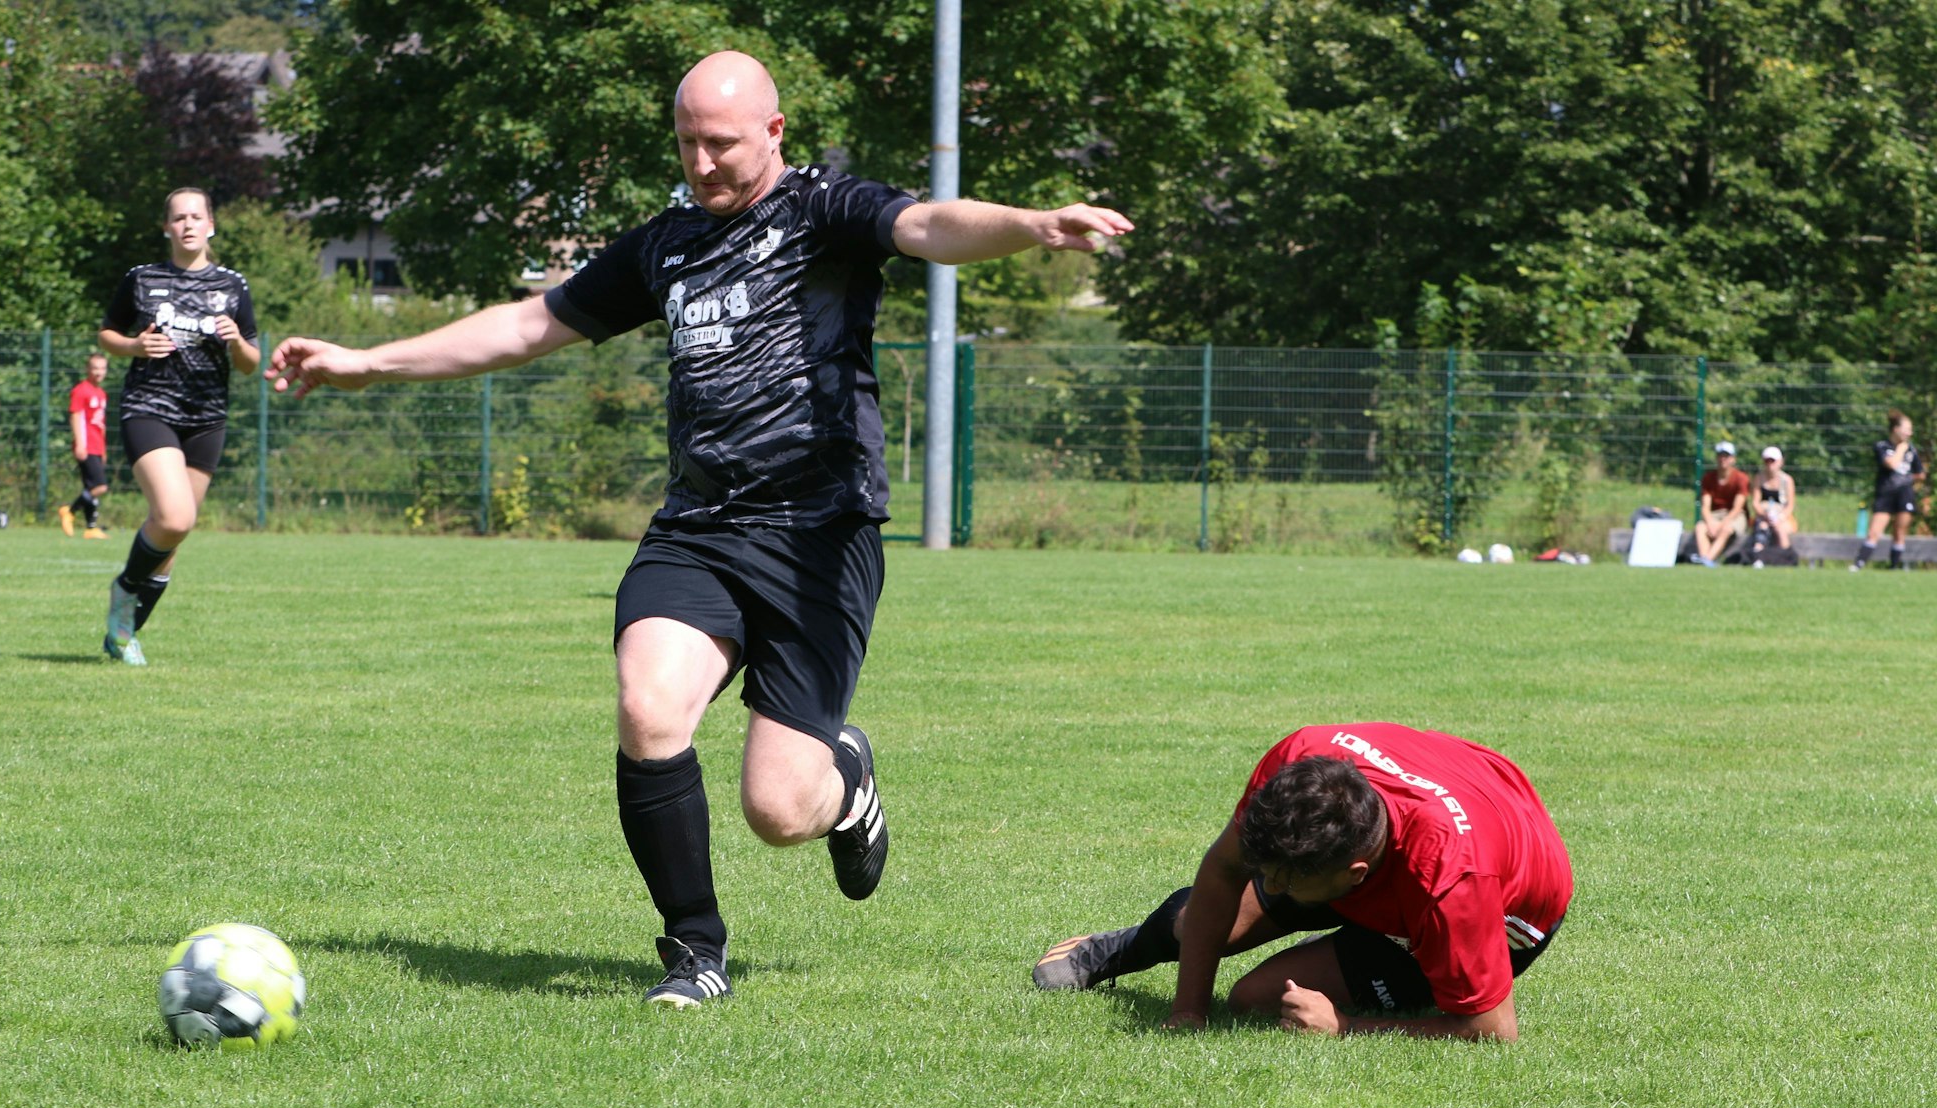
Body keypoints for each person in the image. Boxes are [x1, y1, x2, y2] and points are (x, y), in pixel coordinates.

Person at [264, 51, 1134, 1008]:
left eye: (721, 143)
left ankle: (845, 777)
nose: (703, 162)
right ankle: (694, 951)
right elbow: (526, 326)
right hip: (700, 527)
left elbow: (926, 224)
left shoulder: (823, 213)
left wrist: (1034, 227)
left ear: (773, 132)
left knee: (777, 809)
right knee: (648, 708)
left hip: (817, 534)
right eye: (687, 142)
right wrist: (369, 362)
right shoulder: (666, 244)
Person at [1033, 723, 1572, 1042]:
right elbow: (1224, 870)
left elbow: (1491, 1029)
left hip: (1506, 911)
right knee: (1210, 921)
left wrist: (1347, 1025)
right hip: (1428, 820)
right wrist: (1188, 1009)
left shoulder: (1452, 883)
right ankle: (1123, 948)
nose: (1266, 882)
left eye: (1281, 879)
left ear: (1354, 878)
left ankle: (1365, 950)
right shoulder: (1302, 762)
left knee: (1256, 998)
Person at [96, 187, 260, 665]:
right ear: (166, 227)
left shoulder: (233, 285)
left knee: (172, 537)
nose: (188, 224)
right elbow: (108, 332)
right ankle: (124, 591)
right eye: (178, 217)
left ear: (211, 225)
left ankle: (123, 633)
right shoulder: (142, 279)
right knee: (174, 517)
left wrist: (236, 343)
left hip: (206, 418)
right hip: (149, 408)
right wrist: (132, 347)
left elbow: (252, 362)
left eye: (196, 216)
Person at [1852, 410, 1924, 571]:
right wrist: (1901, 449)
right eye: (1907, 429)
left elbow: (1920, 474)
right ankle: (1858, 564)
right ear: (1895, 429)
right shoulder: (1882, 446)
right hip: (1885, 493)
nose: (1909, 433)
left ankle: (1893, 567)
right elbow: (1891, 464)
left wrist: (1909, 479)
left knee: (1899, 531)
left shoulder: (1912, 450)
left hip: (1905, 494)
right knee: (1874, 531)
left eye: (1911, 429)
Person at [59, 352, 113, 539]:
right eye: (95, 368)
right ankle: (70, 511)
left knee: (90, 487)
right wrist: (80, 443)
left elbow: (101, 423)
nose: (99, 372)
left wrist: (104, 449)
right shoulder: (81, 390)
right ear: (88, 369)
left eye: (102, 368)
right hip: (87, 445)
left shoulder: (101, 393)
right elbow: (76, 416)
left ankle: (91, 527)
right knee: (100, 487)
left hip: (97, 446)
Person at [1691, 440, 1750, 567]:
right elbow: (1705, 506)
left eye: (1726, 456)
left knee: (1726, 529)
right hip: (1715, 515)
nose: (1723, 459)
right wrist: (1710, 523)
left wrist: (1722, 524)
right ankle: (1705, 558)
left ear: (1733, 459)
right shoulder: (1708, 478)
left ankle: (1708, 559)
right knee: (1700, 527)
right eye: (1720, 455)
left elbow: (1737, 507)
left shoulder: (1741, 478)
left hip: (1735, 516)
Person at [1749, 445, 1797, 552]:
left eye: (1773, 461)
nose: (1770, 464)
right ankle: (1758, 556)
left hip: (1783, 516)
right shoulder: (1758, 478)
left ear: (1780, 462)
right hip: (1763, 516)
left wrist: (1780, 517)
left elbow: (1790, 505)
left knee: (1780, 529)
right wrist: (1764, 515)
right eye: (1767, 461)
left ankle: (1785, 557)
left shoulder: (1787, 480)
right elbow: (1755, 503)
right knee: (1762, 526)